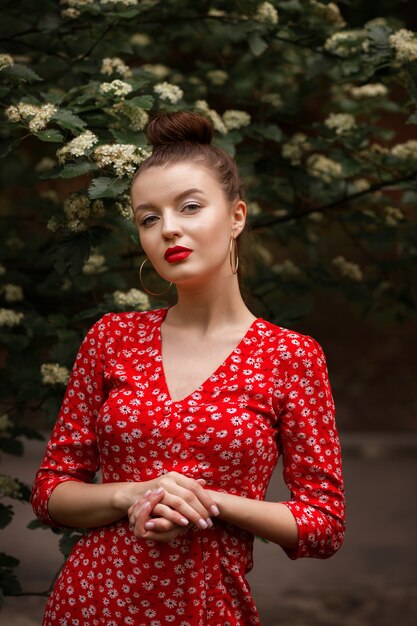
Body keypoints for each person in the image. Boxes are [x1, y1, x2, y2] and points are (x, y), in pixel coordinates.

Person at [31, 111, 345, 626]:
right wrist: (132, 494)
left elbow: (324, 524)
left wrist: (204, 502)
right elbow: (50, 491)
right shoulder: (111, 337)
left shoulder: (291, 355)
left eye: (190, 207)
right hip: (89, 603)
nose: (168, 228)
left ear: (237, 216)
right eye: (148, 218)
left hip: (209, 608)